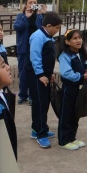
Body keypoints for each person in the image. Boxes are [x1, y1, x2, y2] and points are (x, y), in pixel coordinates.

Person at [29, 11, 61, 148]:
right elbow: (35, 57)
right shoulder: (38, 36)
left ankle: (38, 129)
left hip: (46, 76)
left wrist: (50, 73)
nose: (58, 31)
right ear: (48, 26)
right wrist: (41, 74)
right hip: (38, 77)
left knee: (44, 103)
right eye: (57, 28)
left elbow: (48, 58)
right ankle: (40, 133)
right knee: (40, 104)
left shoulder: (47, 36)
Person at [57, 29, 87, 151]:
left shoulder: (80, 54)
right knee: (66, 113)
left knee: (75, 113)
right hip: (69, 88)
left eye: (80, 37)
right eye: (75, 38)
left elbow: (85, 65)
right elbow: (66, 73)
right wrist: (81, 77)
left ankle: (72, 137)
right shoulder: (64, 56)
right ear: (67, 41)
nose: (78, 40)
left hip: (78, 88)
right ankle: (63, 140)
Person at [13, 0, 44, 105]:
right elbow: (16, 27)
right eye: (30, 2)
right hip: (24, 48)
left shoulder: (40, 16)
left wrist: (41, 14)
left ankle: (32, 96)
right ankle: (23, 95)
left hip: (36, 49)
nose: (32, 4)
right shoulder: (21, 16)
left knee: (35, 72)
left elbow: (43, 29)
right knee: (23, 72)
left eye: (34, 2)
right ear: (26, 4)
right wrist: (26, 17)